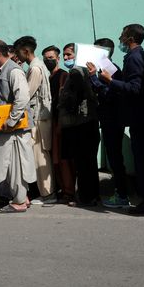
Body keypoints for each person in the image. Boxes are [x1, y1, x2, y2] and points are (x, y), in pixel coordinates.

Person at [98, 24, 144, 214]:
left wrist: (109, 80)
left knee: (142, 160)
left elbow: (134, 88)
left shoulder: (134, 58)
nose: (120, 38)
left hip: (139, 116)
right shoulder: (142, 56)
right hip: (142, 115)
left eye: (122, 35)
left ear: (130, 38)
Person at [0, 39, 36, 213]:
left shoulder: (13, 71)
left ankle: (19, 201)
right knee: (9, 165)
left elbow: (22, 98)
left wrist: (11, 120)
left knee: (16, 165)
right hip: (5, 129)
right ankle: (22, 197)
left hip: (15, 129)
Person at [86, 39, 129, 208]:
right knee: (113, 158)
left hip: (113, 120)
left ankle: (122, 195)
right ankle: (121, 192)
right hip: (107, 119)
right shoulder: (100, 68)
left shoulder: (110, 69)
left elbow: (108, 94)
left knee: (115, 158)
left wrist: (93, 78)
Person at [57, 43, 100, 206]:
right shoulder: (84, 71)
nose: (66, 58)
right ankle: (92, 196)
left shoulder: (76, 71)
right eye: (65, 55)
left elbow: (74, 98)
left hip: (81, 122)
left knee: (83, 163)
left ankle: (85, 197)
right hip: (87, 121)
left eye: (69, 54)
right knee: (89, 162)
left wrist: (63, 99)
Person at [14, 36, 54, 205]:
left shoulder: (35, 68)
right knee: (39, 155)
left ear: (26, 51)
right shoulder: (36, 66)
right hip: (39, 117)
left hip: (38, 118)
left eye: (18, 52)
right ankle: (45, 193)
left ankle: (48, 194)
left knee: (39, 156)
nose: (17, 56)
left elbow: (26, 94)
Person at [42, 45, 76, 203]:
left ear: (58, 58)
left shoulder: (63, 76)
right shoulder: (48, 77)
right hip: (50, 121)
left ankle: (69, 191)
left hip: (60, 122)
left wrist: (60, 124)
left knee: (63, 158)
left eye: (51, 58)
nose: (48, 61)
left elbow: (63, 102)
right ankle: (61, 188)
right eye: (45, 59)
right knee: (54, 158)